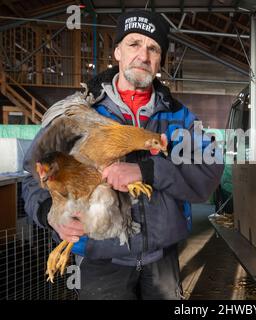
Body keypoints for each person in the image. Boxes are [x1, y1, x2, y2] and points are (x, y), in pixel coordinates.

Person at [21, 10, 224, 300]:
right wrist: (49, 215)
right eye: (134, 44)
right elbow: (32, 173)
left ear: (160, 61)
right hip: (100, 259)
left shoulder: (178, 117)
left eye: (153, 48)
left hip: (162, 258)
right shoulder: (80, 113)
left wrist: (149, 171)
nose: (143, 55)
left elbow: (211, 165)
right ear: (117, 51)